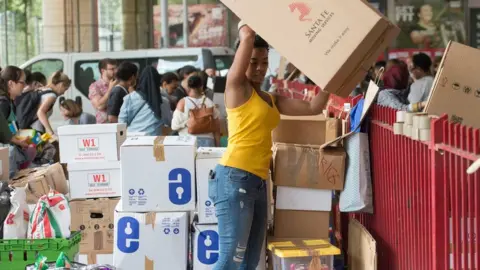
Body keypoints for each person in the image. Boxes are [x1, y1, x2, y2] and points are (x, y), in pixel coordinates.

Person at [209, 23, 330, 269]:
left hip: (257, 181)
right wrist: (249, 21)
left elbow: (313, 108)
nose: (260, 68)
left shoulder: (270, 99)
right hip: (235, 178)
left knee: (251, 260)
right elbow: (247, 35)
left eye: (264, 62)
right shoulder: (236, 87)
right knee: (231, 257)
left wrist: (333, 78)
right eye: (253, 62)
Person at [0, 66, 36, 177]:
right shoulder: (3, 104)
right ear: (11, 83)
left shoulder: (10, 102)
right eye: (22, 82)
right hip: (6, 157)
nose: (24, 86)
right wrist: (17, 141)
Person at [171, 75, 220, 147]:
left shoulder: (183, 103)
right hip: (208, 142)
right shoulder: (210, 103)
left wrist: (187, 123)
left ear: (188, 87)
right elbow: (217, 127)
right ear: (202, 86)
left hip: (188, 141)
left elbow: (174, 126)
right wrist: (218, 146)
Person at [119, 66, 169, 135]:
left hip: (133, 139)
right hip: (154, 140)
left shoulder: (129, 98)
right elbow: (168, 121)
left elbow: (121, 122)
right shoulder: (163, 101)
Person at [89, 58, 117, 123]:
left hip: (119, 123)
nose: (115, 71)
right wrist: (110, 89)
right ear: (102, 71)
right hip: (104, 125)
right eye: (112, 69)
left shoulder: (119, 83)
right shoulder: (95, 86)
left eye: (116, 68)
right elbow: (99, 106)